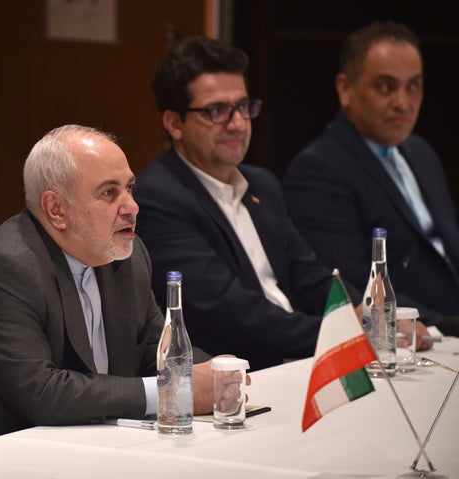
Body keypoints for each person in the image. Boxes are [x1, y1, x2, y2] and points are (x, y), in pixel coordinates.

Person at [0, 124, 242, 460]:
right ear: (56, 209)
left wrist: (215, 375)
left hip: (71, 449)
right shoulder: (0, 270)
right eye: (109, 192)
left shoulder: (126, 258)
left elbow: (154, 349)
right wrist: (173, 392)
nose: (131, 206)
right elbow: (43, 392)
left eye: (130, 188)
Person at [133, 36, 363, 372]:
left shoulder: (262, 184)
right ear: (174, 123)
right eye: (217, 111)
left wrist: (361, 312)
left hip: (300, 357)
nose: (239, 123)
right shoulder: (158, 198)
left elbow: (307, 273)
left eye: (243, 107)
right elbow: (230, 312)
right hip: (239, 379)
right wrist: (341, 333)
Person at [283, 21, 459, 338]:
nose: (403, 103)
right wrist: (445, 326)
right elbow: (355, 288)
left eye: (413, 86)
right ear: (345, 89)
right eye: (385, 87)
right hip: (414, 335)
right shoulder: (317, 169)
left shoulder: (421, 152)